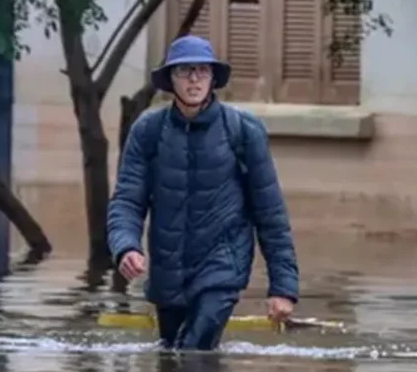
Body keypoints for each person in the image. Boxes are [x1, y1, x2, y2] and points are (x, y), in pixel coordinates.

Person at [106, 34, 299, 351]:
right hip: (167, 271)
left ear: (213, 79)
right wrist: (126, 247)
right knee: (172, 359)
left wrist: (283, 288)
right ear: (171, 79)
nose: (194, 79)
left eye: (202, 71)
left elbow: (271, 213)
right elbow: (127, 201)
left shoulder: (243, 131)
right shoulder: (148, 131)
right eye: (184, 71)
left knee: (194, 350)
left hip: (223, 266)